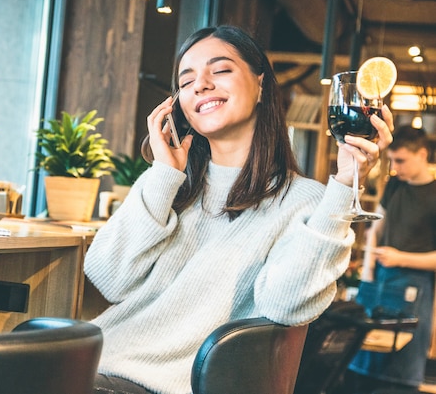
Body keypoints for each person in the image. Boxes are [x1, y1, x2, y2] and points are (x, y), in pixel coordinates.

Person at [85, 25, 394, 394]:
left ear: (261, 85)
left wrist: (345, 186)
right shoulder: (171, 187)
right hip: (93, 365)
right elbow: (108, 276)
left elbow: (285, 305)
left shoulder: (305, 201)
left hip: (150, 386)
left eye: (220, 70)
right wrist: (163, 174)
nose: (200, 85)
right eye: (186, 81)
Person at [343, 125, 436, 393]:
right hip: (379, 279)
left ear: (422, 154)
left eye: (401, 160)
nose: (395, 167)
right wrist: (369, 268)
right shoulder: (395, 183)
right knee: (357, 368)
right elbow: (376, 227)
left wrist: (401, 258)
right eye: (392, 160)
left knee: (396, 379)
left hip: (413, 289)